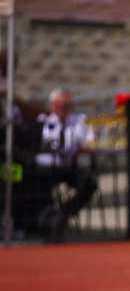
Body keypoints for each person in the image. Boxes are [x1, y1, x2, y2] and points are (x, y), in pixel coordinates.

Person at [34, 87, 96, 240]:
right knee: (40, 182)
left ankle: (64, 214)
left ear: (71, 105)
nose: (61, 108)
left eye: (65, 104)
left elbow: (90, 141)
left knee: (89, 183)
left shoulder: (79, 120)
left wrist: (85, 145)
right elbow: (36, 142)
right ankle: (48, 222)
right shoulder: (43, 120)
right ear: (52, 106)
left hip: (69, 166)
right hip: (47, 167)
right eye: (58, 104)